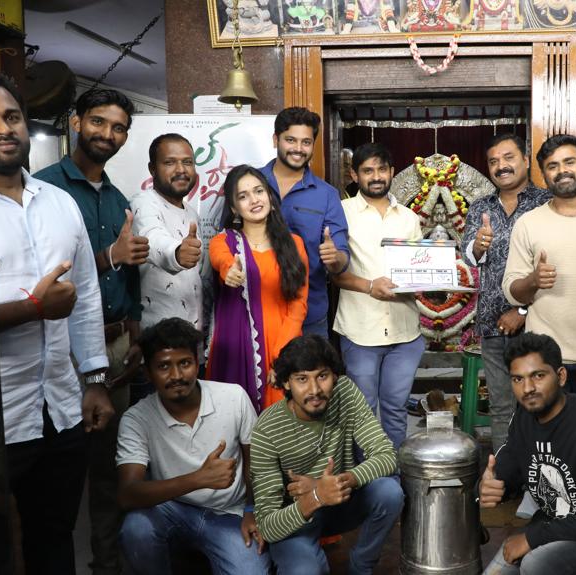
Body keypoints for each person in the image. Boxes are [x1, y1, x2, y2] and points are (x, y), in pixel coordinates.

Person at [0, 70, 113, 574]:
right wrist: (33, 308)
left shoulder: (58, 202)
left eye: (11, 116)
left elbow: (85, 294)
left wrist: (95, 378)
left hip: (60, 408)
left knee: (54, 538)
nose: (3, 128)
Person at [33, 88, 145, 575]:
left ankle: (106, 565)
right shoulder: (42, 191)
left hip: (115, 344)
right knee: (51, 464)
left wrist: (135, 332)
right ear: (76, 122)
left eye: (118, 128)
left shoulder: (119, 199)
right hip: (58, 345)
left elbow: (128, 274)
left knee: (107, 465)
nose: (108, 134)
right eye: (98, 122)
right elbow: (45, 278)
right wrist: (109, 256)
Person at [116, 318, 269, 575]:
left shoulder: (233, 397)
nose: (176, 376)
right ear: (148, 373)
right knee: (136, 529)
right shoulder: (136, 419)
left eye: (184, 363)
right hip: (171, 510)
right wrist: (198, 479)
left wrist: (253, 510)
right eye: (163, 366)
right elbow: (128, 494)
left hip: (229, 514)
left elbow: (257, 465)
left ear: (197, 364)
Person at [249, 334, 403, 574]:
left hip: (341, 503)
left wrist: (338, 482)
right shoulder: (267, 429)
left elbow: (387, 455)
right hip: (297, 519)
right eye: (302, 379)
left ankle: (361, 566)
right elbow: (268, 526)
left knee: (390, 492)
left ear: (335, 376)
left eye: (322, 376)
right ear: (286, 383)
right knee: (305, 571)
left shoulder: (345, 392)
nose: (315, 390)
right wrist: (317, 496)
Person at [479, 333, 576, 574]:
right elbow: (504, 471)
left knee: (534, 565)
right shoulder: (523, 419)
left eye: (538, 376)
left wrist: (532, 538)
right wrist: (488, 486)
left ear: (561, 376)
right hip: (551, 527)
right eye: (518, 379)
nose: (527, 388)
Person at [502, 134, 576, 409]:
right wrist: (533, 281)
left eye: (569, 162)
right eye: (552, 166)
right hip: (544, 361)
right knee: (546, 435)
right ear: (543, 174)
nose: (562, 170)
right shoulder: (528, 223)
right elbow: (513, 292)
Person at [331, 142, 424, 449]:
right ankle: (367, 477)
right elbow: (334, 273)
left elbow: (418, 268)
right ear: (354, 175)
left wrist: (431, 281)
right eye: (367, 170)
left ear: (392, 172)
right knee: (363, 414)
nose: (376, 177)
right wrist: (371, 286)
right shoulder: (341, 213)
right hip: (360, 332)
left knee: (396, 411)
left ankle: (393, 474)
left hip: (405, 331)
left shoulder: (409, 218)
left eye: (382, 169)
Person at [462, 133, 551, 453]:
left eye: (509, 158)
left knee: (541, 405)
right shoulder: (481, 207)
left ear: (525, 160)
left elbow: (556, 265)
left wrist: (523, 311)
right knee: (501, 407)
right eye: (494, 161)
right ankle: (506, 473)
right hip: (492, 325)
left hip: (539, 324)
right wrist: (478, 246)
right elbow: (469, 257)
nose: (501, 166)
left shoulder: (546, 203)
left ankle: (541, 475)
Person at [206, 164, 309, 411]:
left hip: (282, 344)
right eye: (243, 196)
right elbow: (222, 260)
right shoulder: (224, 242)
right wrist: (230, 270)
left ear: (269, 197)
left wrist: (281, 357)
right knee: (233, 421)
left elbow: (298, 306)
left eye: (259, 191)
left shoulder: (294, 244)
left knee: (279, 425)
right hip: (235, 348)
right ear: (234, 208)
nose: (254, 200)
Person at [259, 107, 350, 337]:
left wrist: (335, 257)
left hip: (309, 316)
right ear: (275, 140)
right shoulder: (250, 183)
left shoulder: (327, 195)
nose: (298, 149)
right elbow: (229, 239)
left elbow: (341, 257)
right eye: (290, 140)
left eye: (306, 142)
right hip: (255, 312)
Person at [131, 133, 203, 331]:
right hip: (158, 336)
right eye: (170, 162)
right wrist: (177, 253)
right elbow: (153, 238)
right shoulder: (143, 202)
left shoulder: (192, 213)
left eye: (187, 162)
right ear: (152, 169)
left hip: (192, 334)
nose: (181, 170)